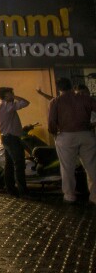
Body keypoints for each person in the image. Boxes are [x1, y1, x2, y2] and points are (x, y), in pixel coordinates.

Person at [48, 77, 96, 205]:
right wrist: (92, 125)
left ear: (58, 88)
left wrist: (54, 133)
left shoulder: (55, 101)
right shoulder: (85, 98)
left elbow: (52, 122)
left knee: (67, 168)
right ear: (71, 86)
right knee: (92, 166)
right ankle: (94, 196)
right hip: (86, 134)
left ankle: (70, 195)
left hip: (66, 136)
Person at [0, 86, 30, 197]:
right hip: (12, 139)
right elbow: (26, 102)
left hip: (6, 137)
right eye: (11, 93)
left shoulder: (1, 106)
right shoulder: (7, 106)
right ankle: (23, 191)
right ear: (6, 95)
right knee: (19, 164)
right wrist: (13, 97)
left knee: (9, 164)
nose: (13, 94)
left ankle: (11, 189)